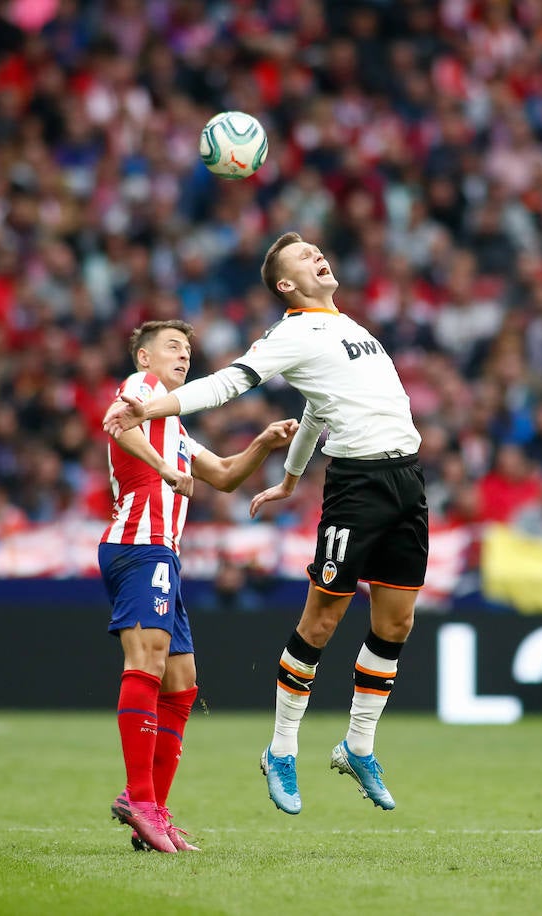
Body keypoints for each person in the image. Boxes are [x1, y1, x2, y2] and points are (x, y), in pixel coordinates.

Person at [106, 232, 428, 816]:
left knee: (397, 622)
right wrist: (152, 407)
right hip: (357, 486)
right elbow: (232, 380)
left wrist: (289, 476)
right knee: (324, 617)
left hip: (408, 480)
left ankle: (358, 745)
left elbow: (315, 406)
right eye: (303, 256)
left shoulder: (351, 328)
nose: (318, 255)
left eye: (316, 250)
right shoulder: (291, 332)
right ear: (286, 285)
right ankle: (281, 749)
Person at [100, 319, 299, 852]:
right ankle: (139, 799)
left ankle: (154, 812)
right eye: (172, 347)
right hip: (137, 545)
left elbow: (228, 474)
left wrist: (262, 443)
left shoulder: (179, 430)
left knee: (181, 683)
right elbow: (117, 423)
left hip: (164, 553)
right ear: (145, 358)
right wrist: (164, 469)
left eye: (188, 350)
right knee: (146, 662)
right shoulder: (140, 390)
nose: (183, 356)